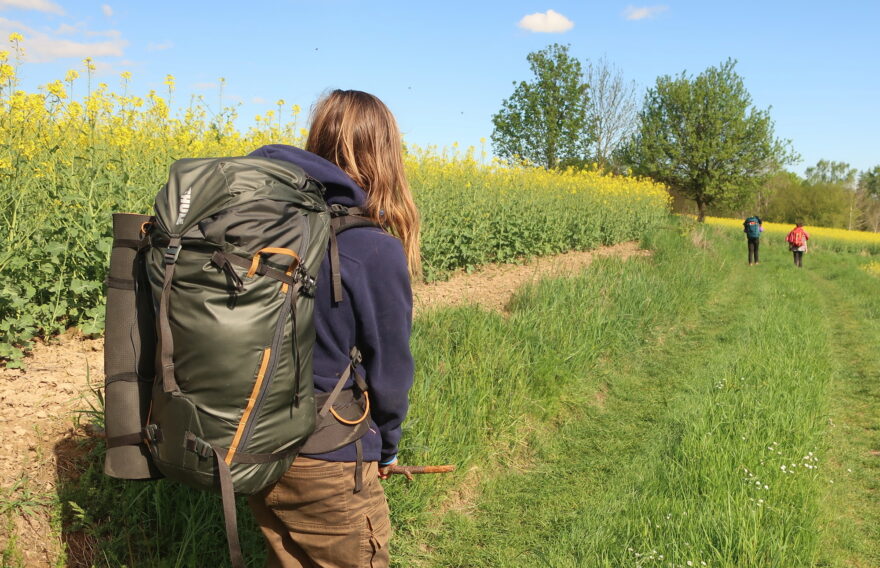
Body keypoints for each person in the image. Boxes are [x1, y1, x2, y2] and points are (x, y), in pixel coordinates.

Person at [246, 89, 420, 568]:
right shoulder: (372, 248)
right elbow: (390, 372)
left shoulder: (264, 231)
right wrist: (386, 446)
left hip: (255, 445)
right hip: (329, 461)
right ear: (384, 155)